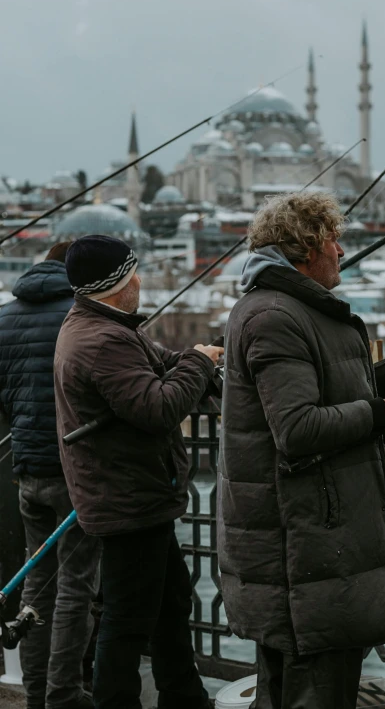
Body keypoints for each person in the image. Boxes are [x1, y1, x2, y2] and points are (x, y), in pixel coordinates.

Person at [218, 192, 385, 709]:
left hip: (316, 544)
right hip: (305, 546)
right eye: (333, 238)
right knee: (312, 688)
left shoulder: (287, 309)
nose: (339, 249)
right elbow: (297, 428)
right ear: (305, 248)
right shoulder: (276, 316)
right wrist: (381, 414)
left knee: (294, 687)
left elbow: (320, 407)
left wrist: (377, 431)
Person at [54, 235, 223, 709]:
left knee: (170, 605)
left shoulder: (101, 325)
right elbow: (157, 408)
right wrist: (198, 361)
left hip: (132, 495)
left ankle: (184, 695)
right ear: (114, 285)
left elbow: (153, 364)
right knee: (126, 621)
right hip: (128, 499)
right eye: (132, 275)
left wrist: (191, 360)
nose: (140, 281)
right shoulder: (103, 339)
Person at [0, 241, 100, 709]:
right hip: (74, 470)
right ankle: (65, 692)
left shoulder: (4, 319)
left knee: (37, 588)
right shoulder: (78, 317)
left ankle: (36, 692)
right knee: (75, 588)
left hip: (27, 471)